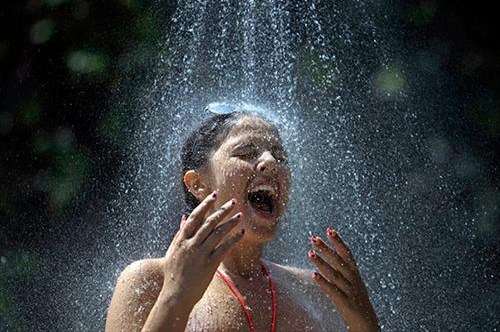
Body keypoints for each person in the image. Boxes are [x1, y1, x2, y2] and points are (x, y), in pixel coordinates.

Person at [105, 107, 380, 332]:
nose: (271, 162)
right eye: (246, 154)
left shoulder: (312, 290)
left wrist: (365, 323)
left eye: (280, 155)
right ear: (198, 183)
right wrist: (176, 296)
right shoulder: (149, 281)